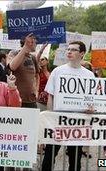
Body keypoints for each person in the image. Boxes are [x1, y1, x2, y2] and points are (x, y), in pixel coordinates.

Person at [41, 41, 95, 171]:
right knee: (49, 155)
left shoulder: (89, 75)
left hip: (78, 123)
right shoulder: (57, 71)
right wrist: (51, 118)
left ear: (82, 53)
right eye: (68, 49)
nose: (69, 52)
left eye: (74, 50)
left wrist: (90, 108)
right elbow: (51, 96)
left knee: (75, 157)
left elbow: (92, 99)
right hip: (58, 121)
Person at [7, 34, 47, 108]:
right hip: (17, 99)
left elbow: (37, 76)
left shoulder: (33, 57)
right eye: (35, 42)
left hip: (31, 100)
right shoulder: (13, 53)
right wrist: (26, 46)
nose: (36, 44)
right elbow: (12, 67)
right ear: (30, 42)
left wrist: (36, 91)